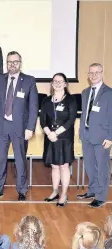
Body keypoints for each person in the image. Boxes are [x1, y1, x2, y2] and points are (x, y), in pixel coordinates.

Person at [0, 51, 38, 201]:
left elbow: (33, 107)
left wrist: (30, 128)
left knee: (20, 160)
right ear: (6, 64)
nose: (12, 64)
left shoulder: (29, 81)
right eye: (9, 62)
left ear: (20, 64)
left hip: (20, 127)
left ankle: (22, 190)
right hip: (2, 126)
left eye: (15, 62)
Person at [77, 63, 112, 208]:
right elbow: (85, 114)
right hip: (87, 136)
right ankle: (92, 190)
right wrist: (80, 131)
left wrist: (110, 137)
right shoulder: (85, 92)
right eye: (91, 73)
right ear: (88, 75)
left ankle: (101, 196)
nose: (94, 75)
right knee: (90, 166)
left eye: (97, 72)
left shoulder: (109, 93)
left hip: (102, 137)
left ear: (102, 73)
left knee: (102, 168)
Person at [40, 73, 77, 207]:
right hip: (50, 137)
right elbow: (43, 120)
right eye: (55, 81)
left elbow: (71, 120)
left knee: (64, 166)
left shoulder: (71, 100)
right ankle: (55, 191)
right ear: (51, 83)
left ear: (66, 84)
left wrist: (56, 133)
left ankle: (64, 194)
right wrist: (49, 133)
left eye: (60, 81)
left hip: (64, 138)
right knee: (54, 166)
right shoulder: (46, 101)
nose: (57, 83)